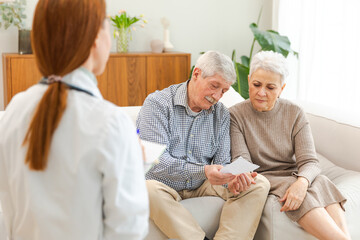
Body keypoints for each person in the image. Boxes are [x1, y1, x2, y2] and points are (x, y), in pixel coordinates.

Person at [0, 0, 148, 239]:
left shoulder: (14, 110)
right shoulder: (110, 123)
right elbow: (128, 230)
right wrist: (133, 164)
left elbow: (8, 217)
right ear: (95, 39)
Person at [136, 51, 270, 240]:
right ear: (196, 74)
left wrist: (230, 179)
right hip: (163, 184)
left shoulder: (221, 114)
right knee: (147, 189)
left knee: (258, 183)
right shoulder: (157, 104)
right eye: (214, 86)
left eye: (223, 91)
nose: (216, 96)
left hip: (202, 184)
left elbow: (222, 162)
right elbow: (156, 162)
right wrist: (204, 171)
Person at [230, 51, 350, 240]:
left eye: (270, 87)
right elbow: (243, 161)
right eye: (256, 84)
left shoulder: (294, 113)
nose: (261, 92)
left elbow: (310, 161)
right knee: (291, 187)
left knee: (321, 181)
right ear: (249, 79)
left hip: (292, 174)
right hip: (261, 176)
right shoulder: (235, 115)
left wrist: (302, 182)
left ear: (281, 88)